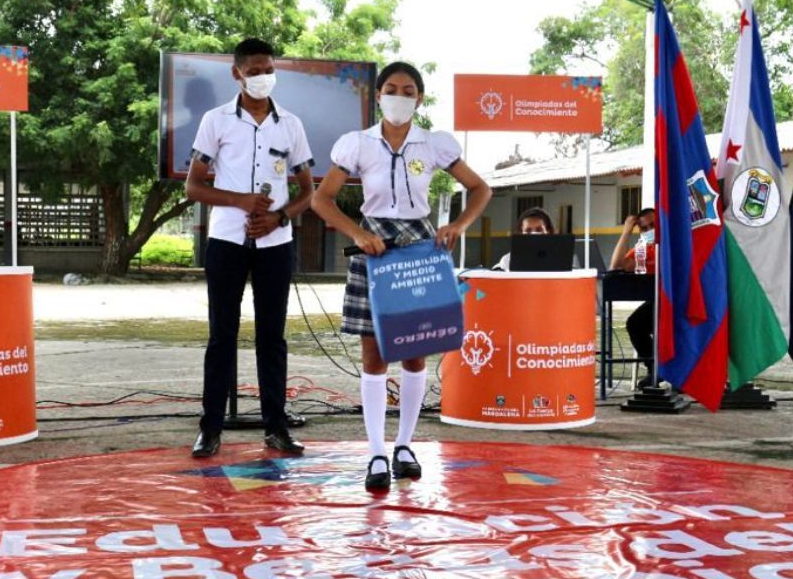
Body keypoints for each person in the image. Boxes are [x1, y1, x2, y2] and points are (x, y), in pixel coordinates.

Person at [311, 62, 492, 489]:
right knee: (374, 355)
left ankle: (405, 445)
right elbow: (322, 200)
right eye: (391, 89)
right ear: (378, 96)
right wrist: (357, 232)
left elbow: (481, 189)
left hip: (420, 247)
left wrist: (458, 225)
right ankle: (375, 452)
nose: (399, 96)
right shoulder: (357, 144)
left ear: (419, 98)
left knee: (416, 352)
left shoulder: (434, 145)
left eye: (408, 90)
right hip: (373, 247)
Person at [184, 38, 315, 458]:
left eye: (268, 69)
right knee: (222, 336)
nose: (263, 77)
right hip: (227, 241)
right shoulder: (216, 120)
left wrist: (279, 216)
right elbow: (194, 185)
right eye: (254, 70)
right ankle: (211, 429)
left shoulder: (290, 124)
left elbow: (308, 192)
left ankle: (276, 428)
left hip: (275, 243)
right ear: (237, 73)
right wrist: (239, 200)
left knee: (271, 338)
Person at [610, 207, 658, 386]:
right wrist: (626, 232)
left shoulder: (674, 242)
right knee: (635, 324)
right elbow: (616, 265)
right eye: (644, 228)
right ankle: (655, 368)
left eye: (652, 225)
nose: (649, 231)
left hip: (678, 301)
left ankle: (672, 371)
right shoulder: (643, 249)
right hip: (657, 301)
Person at [494, 206, 556, 271]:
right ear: (521, 233)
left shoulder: (560, 258)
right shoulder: (509, 260)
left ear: (549, 232)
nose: (533, 234)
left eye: (539, 229)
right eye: (528, 230)